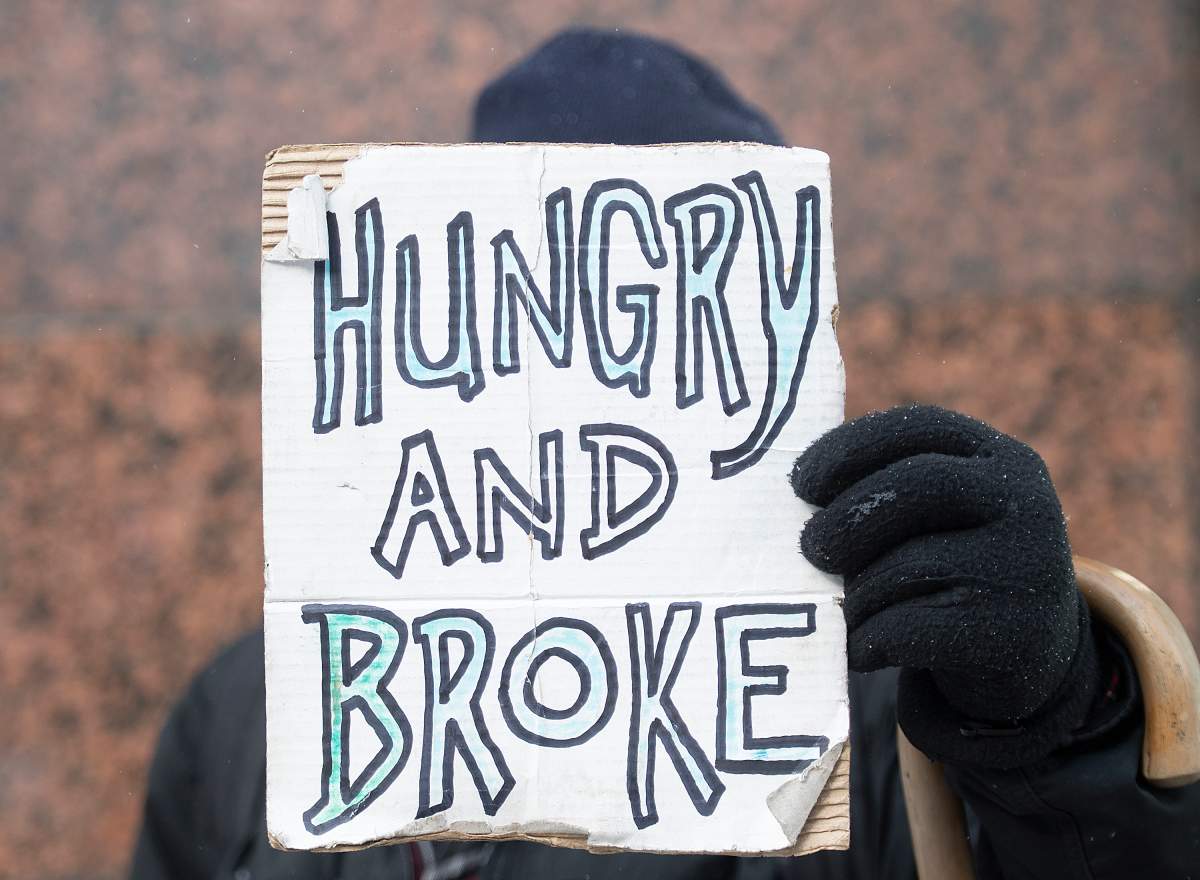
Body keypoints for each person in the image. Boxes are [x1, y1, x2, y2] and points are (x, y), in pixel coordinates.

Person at [130, 28, 1200, 879]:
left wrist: (1053, 722)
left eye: (646, 322)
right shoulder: (244, 715)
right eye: (538, 303)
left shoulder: (875, 712)